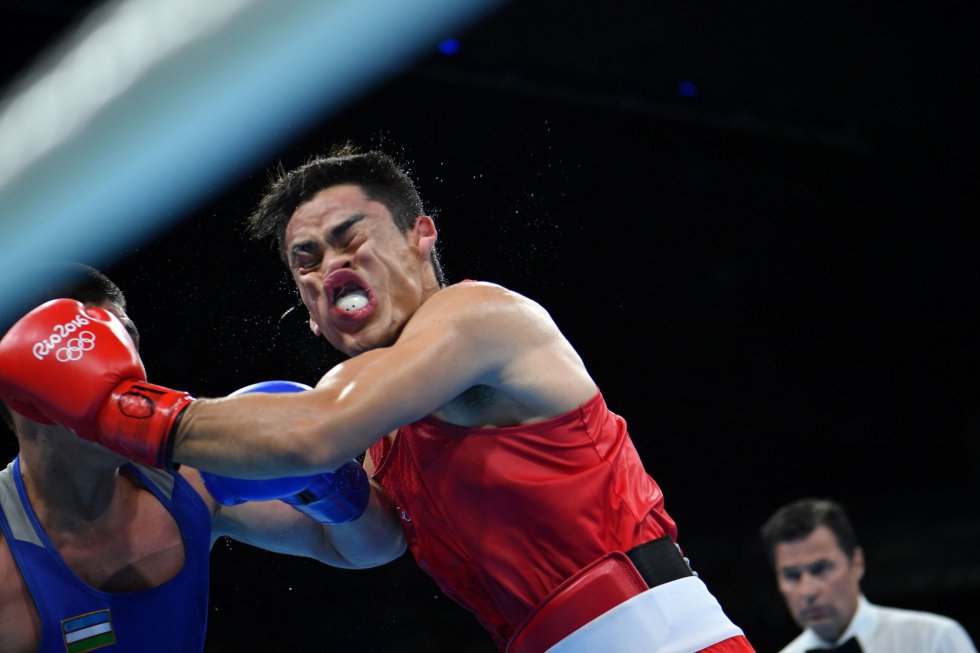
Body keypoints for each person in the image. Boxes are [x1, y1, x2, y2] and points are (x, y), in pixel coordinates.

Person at [0, 146, 755, 652]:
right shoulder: (383, 433)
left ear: (422, 234)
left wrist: (113, 408)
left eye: (349, 238)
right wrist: (338, 496)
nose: (331, 266)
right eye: (307, 261)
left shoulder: (480, 316)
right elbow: (373, 537)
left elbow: (312, 432)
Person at [0, 262, 405, 653]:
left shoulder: (188, 477)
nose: (127, 380)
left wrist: (325, 478)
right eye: (88, 356)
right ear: (21, 392)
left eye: (124, 347)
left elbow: (373, 547)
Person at [760, 497, 976, 652]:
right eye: (791, 576)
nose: (808, 591)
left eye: (821, 569)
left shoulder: (932, 639)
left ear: (857, 562)